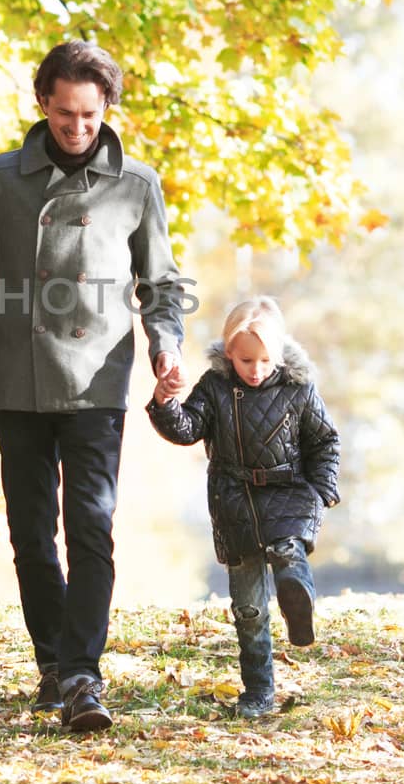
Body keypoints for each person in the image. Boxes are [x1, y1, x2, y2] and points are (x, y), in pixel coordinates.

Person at [0, 40, 185, 733]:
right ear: (43, 103)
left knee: (92, 529)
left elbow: (160, 285)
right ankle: (53, 663)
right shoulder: (2, 177)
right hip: (20, 378)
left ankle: (82, 673)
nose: (77, 127)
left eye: (89, 114)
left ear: (106, 109)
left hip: (99, 380)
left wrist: (167, 347)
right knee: (30, 534)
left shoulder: (136, 183)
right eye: (65, 113)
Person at [146, 296, 341, 719]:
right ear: (229, 353)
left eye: (264, 360)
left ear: (279, 353)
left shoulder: (298, 388)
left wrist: (322, 491)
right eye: (246, 360)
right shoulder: (215, 388)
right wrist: (165, 403)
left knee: (287, 550)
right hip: (234, 501)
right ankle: (258, 690)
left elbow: (325, 442)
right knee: (248, 610)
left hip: (288, 492)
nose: (255, 370)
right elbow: (187, 429)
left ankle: (296, 599)